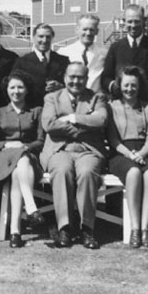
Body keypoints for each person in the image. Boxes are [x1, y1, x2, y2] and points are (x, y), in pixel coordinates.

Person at [40, 62, 108, 249]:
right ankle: (65, 227)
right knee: (62, 171)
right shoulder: (52, 98)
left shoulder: (96, 98)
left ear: (87, 79)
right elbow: (49, 124)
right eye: (72, 77)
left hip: (88, 150)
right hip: (59, 149)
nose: (76, 81)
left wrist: (72, 118)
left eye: (80, 77)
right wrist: (83, 127)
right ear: (64, 78)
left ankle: (87, 228)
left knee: (87, 173)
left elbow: (100, 119)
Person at [0, 70, 46, 248]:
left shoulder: (36, 112)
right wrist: (8, 146)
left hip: (28, 158)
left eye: (20, 87)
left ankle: (15, 231)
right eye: (12, 87)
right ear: (7, 90)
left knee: (19, 168)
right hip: (3, 157)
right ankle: (30, 207)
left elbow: (40, 141)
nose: (16, 91)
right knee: (19, 160)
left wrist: (24, 146)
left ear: (27, 90)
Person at [107, 66, 148, 248]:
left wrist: (142, 153)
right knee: (134, 172)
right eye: (126, 85)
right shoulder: (111, 107)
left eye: (134, 85)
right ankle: (135, 228)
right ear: (119, 85)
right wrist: (130, 155)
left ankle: (146, 228)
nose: (130, 89)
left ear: (140, 86)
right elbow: (113, 139)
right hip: (121, 152)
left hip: (146, 150)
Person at [102, 4, 148, 103]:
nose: (133, 25)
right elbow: (106, 76)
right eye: (130, 21)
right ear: (124, 22)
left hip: (146, 102)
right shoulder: (115, 47)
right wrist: (114, 86)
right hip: (121, 102)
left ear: (144, 21)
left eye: (137, 21)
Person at [12, 23, 69, 106]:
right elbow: (13, 86)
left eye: (48, 37)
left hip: (57, 108)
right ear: (34, 38)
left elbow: (71, 85)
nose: (44, 40)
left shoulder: (63, 61)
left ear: (52, 38)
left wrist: (61, 86)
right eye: (41, 36)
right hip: (31, 109)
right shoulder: (22, 62)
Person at [57, 15, 107, 94]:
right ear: (77, 30)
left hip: (95, 99)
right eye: (85, 29)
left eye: (91, 29)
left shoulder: (104, 54)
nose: (88, 33)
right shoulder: (63, 52)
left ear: (97, 31)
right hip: (70, 99)